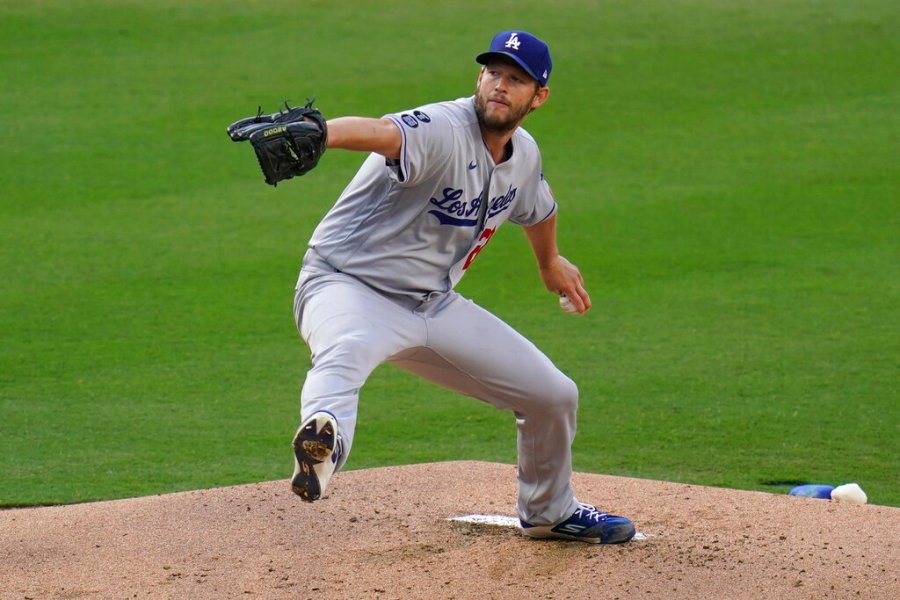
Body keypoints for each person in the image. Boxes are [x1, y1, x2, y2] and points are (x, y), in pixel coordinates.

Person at [289, 30, 635, 544]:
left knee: (553, 396)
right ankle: (323, 444)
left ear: (537, 97)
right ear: (479, 77)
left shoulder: (523, 155)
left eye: (516, 79)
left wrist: (550, 262)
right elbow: (385, 132)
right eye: (493, 73)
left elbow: (538, 206)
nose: (500, 85)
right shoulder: (442, 127)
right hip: (346, 285)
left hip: (433, 303)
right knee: (346, 350)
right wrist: (324, 133)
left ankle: (549, 513)